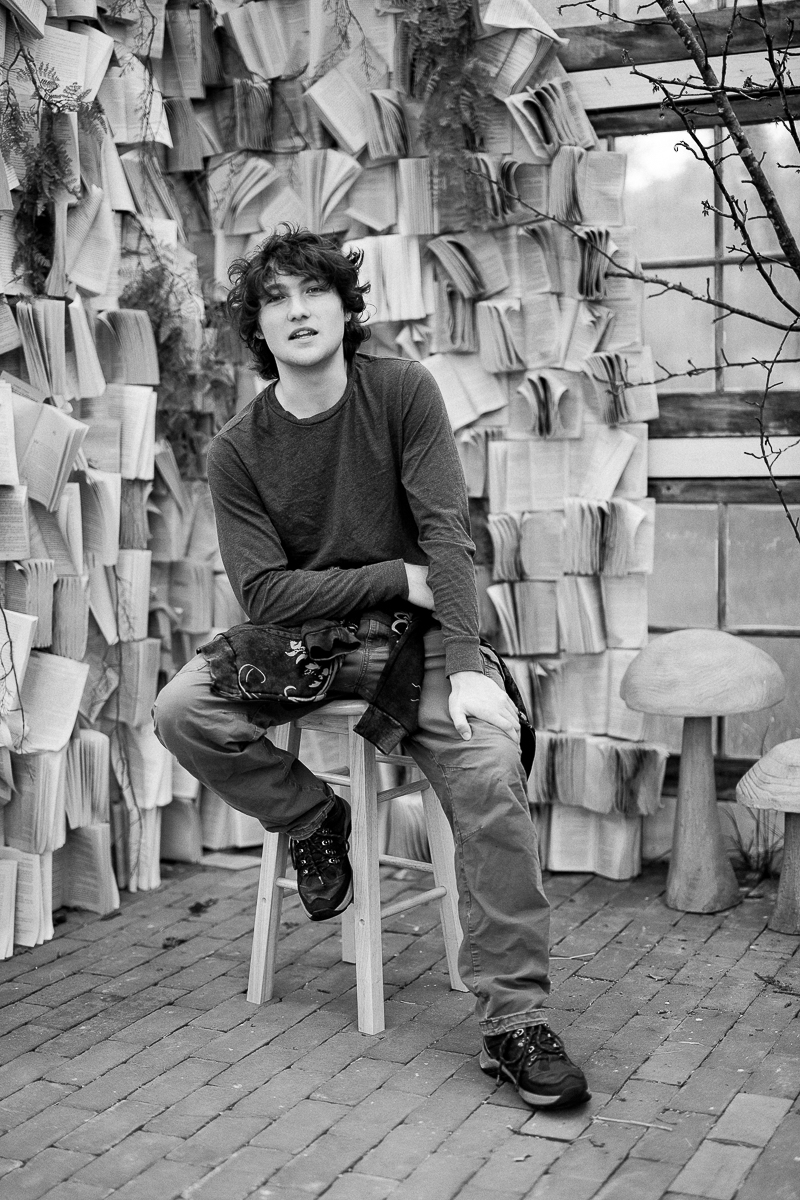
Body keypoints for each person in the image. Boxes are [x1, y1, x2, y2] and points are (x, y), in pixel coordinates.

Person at [153, 225, 589, 1111]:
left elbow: (446, 538)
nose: (296, 310)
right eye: (275, 299)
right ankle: (314, 816)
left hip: (415, 644)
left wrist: (467, 665)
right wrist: (395, 575)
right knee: (181, 710)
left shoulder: (401, 391)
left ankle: (514, 1020)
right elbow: (266, 594)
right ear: (258, 327)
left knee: (490, 769)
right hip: (305, 642)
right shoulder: (238, 448)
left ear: (344, 305)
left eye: (312, 290)